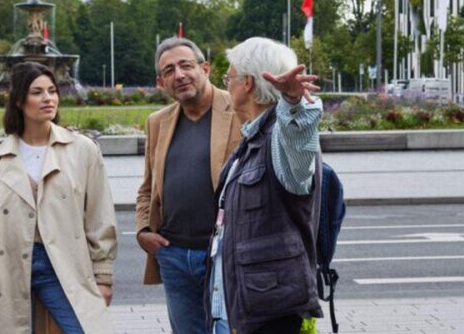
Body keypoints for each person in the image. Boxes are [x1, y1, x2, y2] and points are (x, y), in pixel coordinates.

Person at [0, 62, 117, 334]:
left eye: (52, 91)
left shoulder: (82, 150)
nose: (48, 98)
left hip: (62, 264)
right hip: (7, 268)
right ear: (19, 100)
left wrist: (103, 276)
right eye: (37, 92)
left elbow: (99, 216)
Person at [206, 37, 324, 334]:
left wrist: (294, 103)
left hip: (270, 313)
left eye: (229, 77)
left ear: (247, 83)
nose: (226, 84)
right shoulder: (252, 140)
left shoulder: (280, 138)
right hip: (243, 307)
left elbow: (298, 151)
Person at [135, 37, 242, 334]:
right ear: (161, 82)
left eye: (186, 65)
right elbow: (148, 187)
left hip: (223, 253)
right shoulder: (157, 121)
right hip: (174, 255)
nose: (179, 75)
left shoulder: (238, 109)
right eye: (169, 70)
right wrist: (144, 230)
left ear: (205, 68)